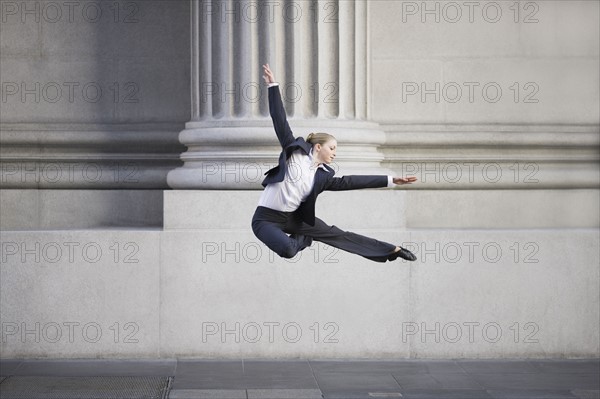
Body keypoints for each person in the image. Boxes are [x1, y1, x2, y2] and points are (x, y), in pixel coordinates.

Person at [251, 63, 417, 263]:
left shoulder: (323, 176)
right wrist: (273, 86)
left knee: (338, 235)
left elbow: (352, 181)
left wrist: (390, 180)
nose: (335, 153)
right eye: (332, 148)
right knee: (288, 250)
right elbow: (279, 120)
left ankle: (391, 250)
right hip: (266, 220)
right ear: (318, 147)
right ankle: (305, 238)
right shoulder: (294, 152)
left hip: (295, 219)